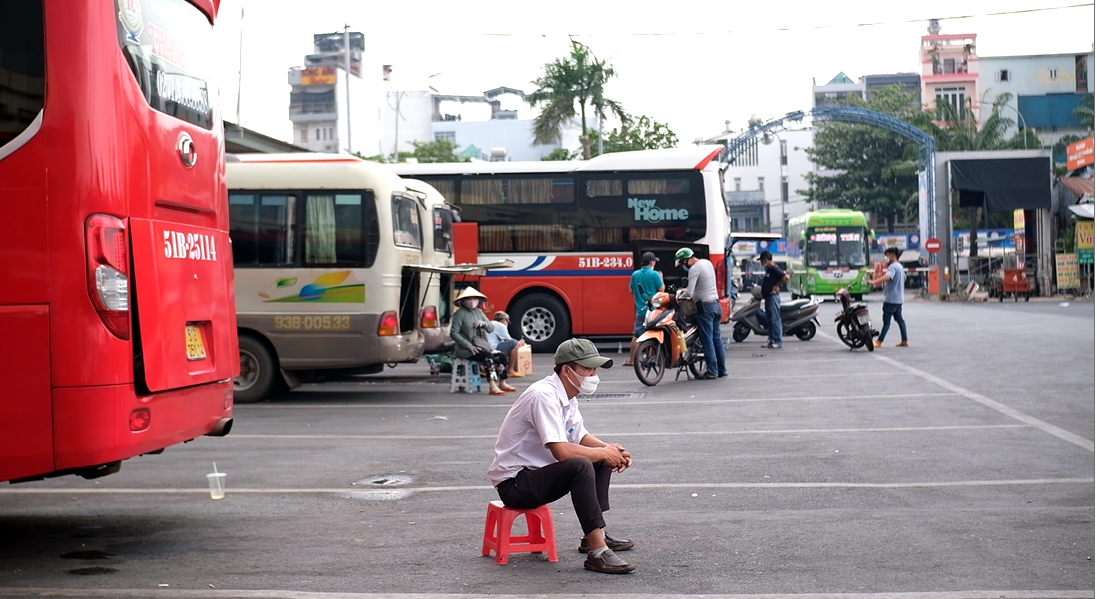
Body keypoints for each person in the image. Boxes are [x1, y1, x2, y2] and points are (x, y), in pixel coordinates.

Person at [488, 338, 636, 574]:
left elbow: (580, 435)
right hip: (515, 484)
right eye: (588, 368)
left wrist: (611, 450)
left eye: (594, 369)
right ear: (567, 370)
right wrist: (602, 452)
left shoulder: (568, 395)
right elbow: (562, 450)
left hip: (537, 476)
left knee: (599, 459)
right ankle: (597, 552)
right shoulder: (543, 395)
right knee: (581, 464)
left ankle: (594, 534)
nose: (593, 374)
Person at [449, 287, 516, 395]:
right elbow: (454, 333)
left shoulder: (479, 312)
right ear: (463, 301)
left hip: (482, 346)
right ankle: (492, 385)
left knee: (501, 356)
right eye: (469, 299)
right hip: (466, 350)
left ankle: (502, 382)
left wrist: (484, 323)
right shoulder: (459, 314)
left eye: (474, 298)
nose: (472, 301)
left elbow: (491, 328)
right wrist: (468, 345)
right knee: (487, 357)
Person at [674, 248, 727, 379]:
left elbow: (689, 292)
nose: (682, 267)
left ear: (686, 260)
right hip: (716, 304)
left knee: (707, 340)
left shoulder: (694, 269)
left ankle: (712, 372)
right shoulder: (707, 263)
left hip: (705, 307)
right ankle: (721, 370)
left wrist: (678, 296)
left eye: (682, 263)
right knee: (716, 339)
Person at [625, 252, 665, 367]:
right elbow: (662, 290)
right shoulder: (655, 274)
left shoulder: (635, 274)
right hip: (653, 310)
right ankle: (652, 358)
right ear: (652, 262)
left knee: (636, 335)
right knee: (654, 334)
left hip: (641, 311)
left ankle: (632, 360)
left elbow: (630, 291)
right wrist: (661, 277)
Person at [866, 247, 908, 347]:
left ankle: (879, 341)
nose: (886, 258)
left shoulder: (893, 267)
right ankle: (904, 340)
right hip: (899, 299)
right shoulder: (900, 266)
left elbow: (887, 277)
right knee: (900, 320)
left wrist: (873, 282)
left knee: (886, 322)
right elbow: (904, 279)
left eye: (887, 255)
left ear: (892, 255)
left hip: (891, 299)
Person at [758, 251, 788, 349]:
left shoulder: (775, 268)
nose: (762, 262)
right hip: (768, 297)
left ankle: (777, 341)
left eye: (762, 260)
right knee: (770, 320)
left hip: (773, 297)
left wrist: (776, 285)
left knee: (775, 319)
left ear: (766, 260)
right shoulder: (769, 269)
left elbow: (785, 277)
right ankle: (771, 340)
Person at [487, 311, 526, 378]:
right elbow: (510, 341)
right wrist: (521, 342)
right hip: (492, 348)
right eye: (507, 322)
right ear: (504, 320)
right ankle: (510, 370)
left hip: (485, 348)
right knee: (514, 344)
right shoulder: (500, 326)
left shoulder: (490, 323)